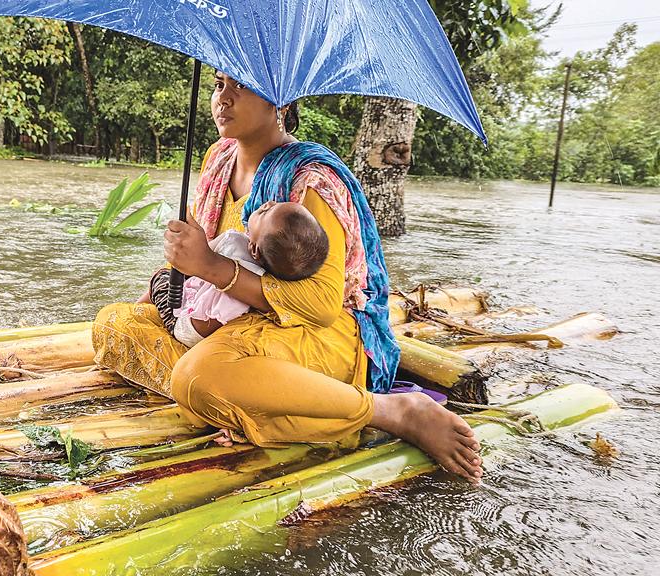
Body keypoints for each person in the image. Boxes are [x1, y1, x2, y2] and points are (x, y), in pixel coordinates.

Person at [92, 71, 483, 482]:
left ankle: (388, 411)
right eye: (218, 84)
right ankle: (249, 404)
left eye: (240, 86)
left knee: (197, 377)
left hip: (309, 334)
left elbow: (322, 306)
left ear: (280, 100)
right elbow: (198, 262)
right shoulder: (217, 159)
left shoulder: (310, 182)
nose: (222, 99)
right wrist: (169, 283)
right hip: (226, 321)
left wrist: (211, 267)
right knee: (113, 324)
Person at [149, 201, 329, 348]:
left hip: (186, 328)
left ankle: (138, 309)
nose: (268, 202)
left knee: (160, 277)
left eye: (266, 212)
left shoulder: (233, 242)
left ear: (254, 249)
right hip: (200, 328)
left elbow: (189, 265)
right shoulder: (265, 281)